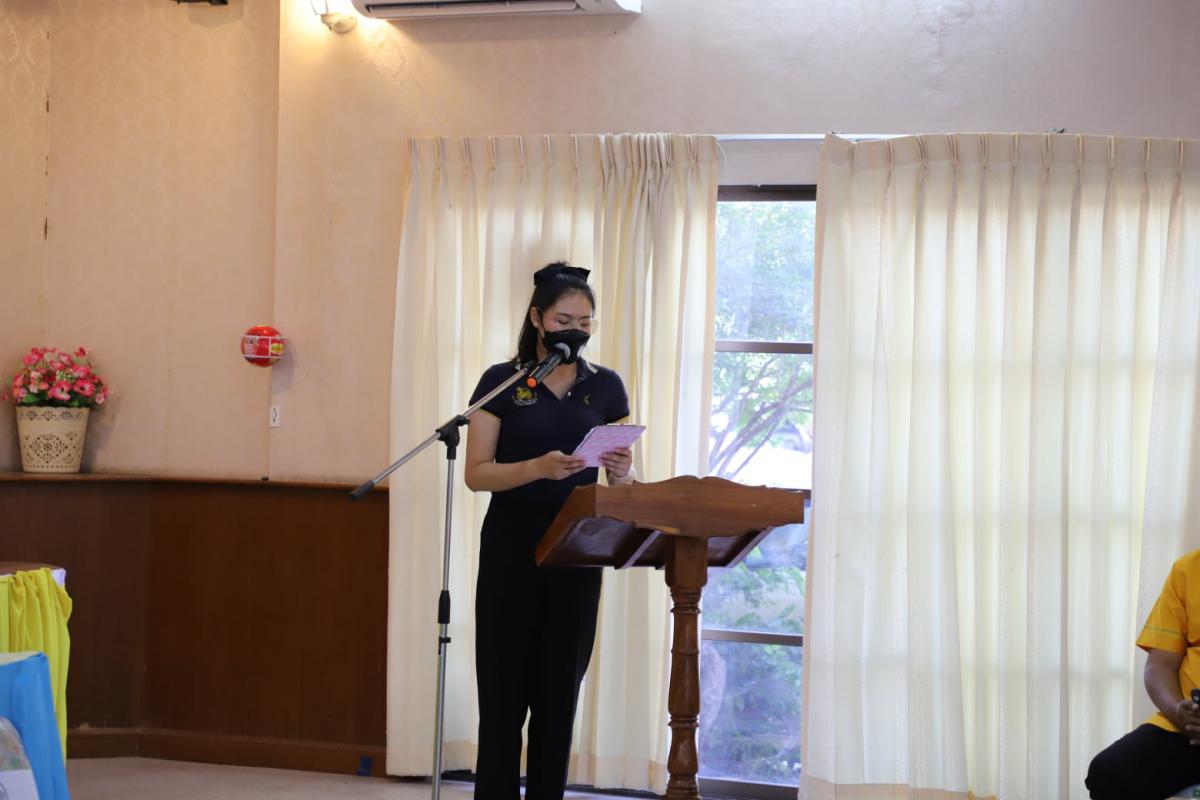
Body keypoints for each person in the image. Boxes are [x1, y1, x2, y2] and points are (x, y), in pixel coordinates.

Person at [464, 261, 634, 800]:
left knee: (558, 698)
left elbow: (622, 481)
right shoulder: (502, 381)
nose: (575, 332)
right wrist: (537, 468)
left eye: (585, 323)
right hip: (511, 550)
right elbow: (476, 474)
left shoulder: (606, 386)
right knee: (502, 695)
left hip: (577, 552)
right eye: (564, 321)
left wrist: (623, 471)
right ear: (537, 319)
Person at [1087, 550, 1200, 799]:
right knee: (1109, 772)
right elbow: (1159, 666)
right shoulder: (1187, 571)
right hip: (1189, 731)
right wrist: (1178, 712)